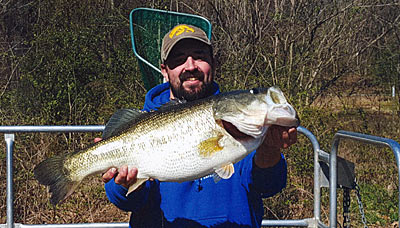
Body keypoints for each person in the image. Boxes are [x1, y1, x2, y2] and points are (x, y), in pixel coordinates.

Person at [101, 24, 297, 228]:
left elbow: (268, 186)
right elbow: (127, 201)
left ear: (213, 63)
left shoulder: (237, 120)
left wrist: (270, 150)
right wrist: (124, 184)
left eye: (199, 56)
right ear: (165, 70)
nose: (191, 66)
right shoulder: (143, 120)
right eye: (179, 59)